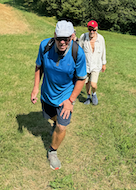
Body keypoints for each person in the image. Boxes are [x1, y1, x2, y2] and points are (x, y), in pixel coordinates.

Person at [31, 20, 87, 170]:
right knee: (51, 117)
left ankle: (52, 151)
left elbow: (81, 79)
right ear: (54, 35)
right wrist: (36, 87)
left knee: (62, 127)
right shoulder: (45, 46)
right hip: (47, 94)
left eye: (66, 38)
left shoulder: (77, 53)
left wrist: (71, 100)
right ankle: (55, 121)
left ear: (72, 36)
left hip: (66, 96)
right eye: (59, 38)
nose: (62, 42)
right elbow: (38, 66)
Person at [79, 20, 106, 106]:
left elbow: (103, 51)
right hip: (85, 65)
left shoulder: (100, 38)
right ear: (88, 29)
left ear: (97, 29)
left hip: (96, 65)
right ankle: (88, 96)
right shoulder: (83, 37)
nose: (92, 32)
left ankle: (94, 94)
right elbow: (79, 51)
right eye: (90, 29)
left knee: (93, 84)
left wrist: (104, 63)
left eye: (94, 30)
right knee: (87, 82)